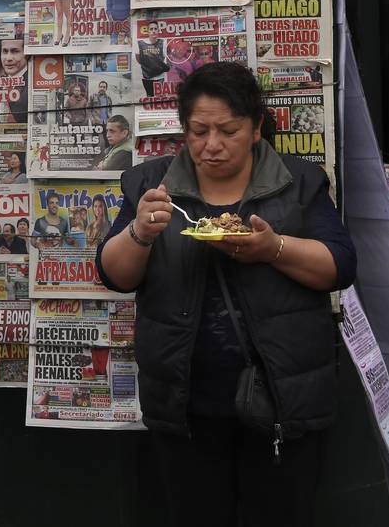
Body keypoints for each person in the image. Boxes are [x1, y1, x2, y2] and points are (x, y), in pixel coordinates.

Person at [98, 61, 355, 526]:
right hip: (184, 403)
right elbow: (114, 274)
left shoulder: (298, 182)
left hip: (282, 399)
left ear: (255, 128)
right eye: (199, 132)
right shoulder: (151, 185)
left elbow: (340, 265)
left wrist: (273, 249)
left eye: (228, 131)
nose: (211, 145)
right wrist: (139, 232)